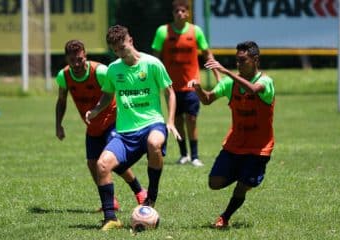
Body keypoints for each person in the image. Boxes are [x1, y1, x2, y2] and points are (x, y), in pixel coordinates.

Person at [85, 25, 180, 231]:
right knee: (102, 165)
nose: (121, 52)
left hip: (152, 123)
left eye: (123, 46)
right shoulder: (113, 69)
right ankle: (111, 218)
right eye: (116, 50)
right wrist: (96, 110)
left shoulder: (152, 64)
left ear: (131, 41)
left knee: (154, 143)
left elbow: (170, 92)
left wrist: (170, 121)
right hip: (125, 133)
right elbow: (107, 95)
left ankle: (150, 197)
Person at [188, 41, 275, 228]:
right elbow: (208, 99)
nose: (239, 64)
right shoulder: (230, 84)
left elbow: (253, 89)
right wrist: (198, 89)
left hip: (259, 147)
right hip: (235, 144)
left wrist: (226, 72)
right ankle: (245, 175)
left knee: (242, 187)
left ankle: (225, 217)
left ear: (255, 60)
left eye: (242, 60)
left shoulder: (265, 82)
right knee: (214, 183)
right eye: (237, 61)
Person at [55, 39, 147, 212]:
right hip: (92, 125)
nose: (76, 64)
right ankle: (110, 201)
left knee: (113, 162)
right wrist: (58, 125)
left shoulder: (101, 71)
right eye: (72, 60)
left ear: (85, 55)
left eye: (80, 59)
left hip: (113, 122)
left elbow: (122, 89)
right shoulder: (64, 76)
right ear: (66, 59)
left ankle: (140, 192)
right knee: (92, 163)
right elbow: (61, 101)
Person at [151, 0, 220, 167]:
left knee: (192, 118)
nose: (180, 14)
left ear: (188, 14)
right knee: (178, 120)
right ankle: (184, 155)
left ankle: (195, 156)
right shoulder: (163, 32)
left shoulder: (195, 31)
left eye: (183, 11)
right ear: (173, 14)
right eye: (177, 11)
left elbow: (207, 54)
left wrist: (218, 76)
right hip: (171, 86)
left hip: (191, 85)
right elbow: (155, 58)